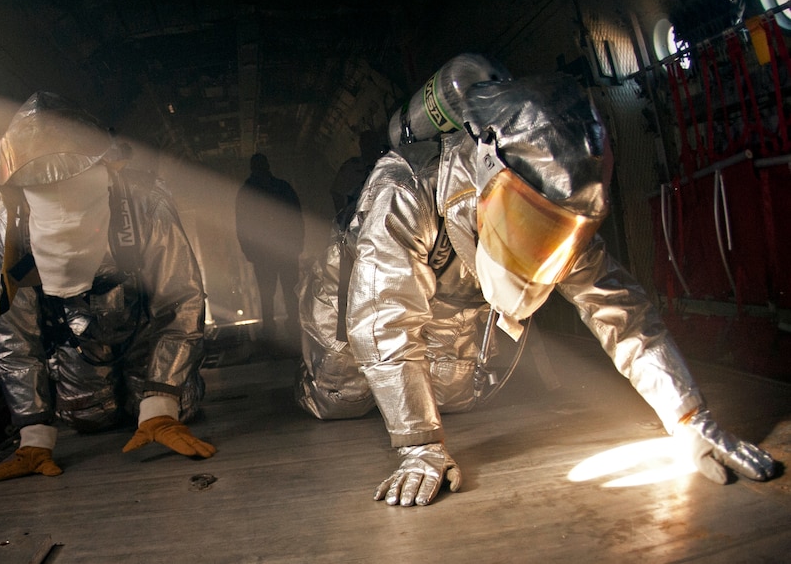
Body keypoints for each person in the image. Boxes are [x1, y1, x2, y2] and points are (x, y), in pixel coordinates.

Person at [294, 69, 778, 507]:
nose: (541, 250)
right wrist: (419, 445)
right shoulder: (405, 185)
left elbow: (624, 317)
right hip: (349, 297)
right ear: (489, 167)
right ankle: (317, 377)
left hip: (448, 289)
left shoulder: (558, 208)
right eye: (528, 223)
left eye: (557, 232)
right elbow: (382, 317)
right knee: (340, 396)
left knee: (453, 388)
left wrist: (690, 418)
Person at [0, 92, 215, 483]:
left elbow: (181, 303)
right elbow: (12, 333)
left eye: (72, 187)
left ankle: (160, 402)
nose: (58, 201)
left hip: (145, 336)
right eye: (42, 191)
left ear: (104, 173)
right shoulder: (11, 227)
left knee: (178, 406)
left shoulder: (144, 206)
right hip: (76, 346)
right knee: (88, 415)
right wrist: (34, 433)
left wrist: (161, 403)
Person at [235, 153, 304, 353]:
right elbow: (295, 215)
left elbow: (242, 224)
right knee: (289, 290)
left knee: (268, 293)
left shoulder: (247, 192)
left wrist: (248, 250)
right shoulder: (282, 188)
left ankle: (271, 331)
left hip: (265, 253)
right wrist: (298, 243)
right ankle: (292, 327)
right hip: (282, 250)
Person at [329, 129, 386, 228]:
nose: (369, 148)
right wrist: (344, 217)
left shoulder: (386, 166)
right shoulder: (351, 167)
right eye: (366, 143)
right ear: (361, 145)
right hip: (355, 224)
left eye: (372, 143)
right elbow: (336, 192)